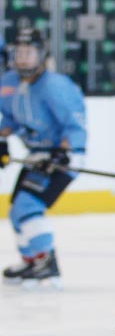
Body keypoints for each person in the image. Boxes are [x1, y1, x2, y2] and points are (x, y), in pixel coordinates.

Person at [0, 28, 87, 287]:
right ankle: (30, 260)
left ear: (42, 55)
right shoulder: (9, 83)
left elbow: (75, 125)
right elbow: (10, 119)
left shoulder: (56, 87)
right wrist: (2, 141)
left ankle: (46, 262)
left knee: (28, 206)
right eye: (20, 52)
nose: (24, 58)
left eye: (30, 52)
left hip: (64, 158)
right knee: (17, 210)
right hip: (36, 156)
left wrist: (63, 152)